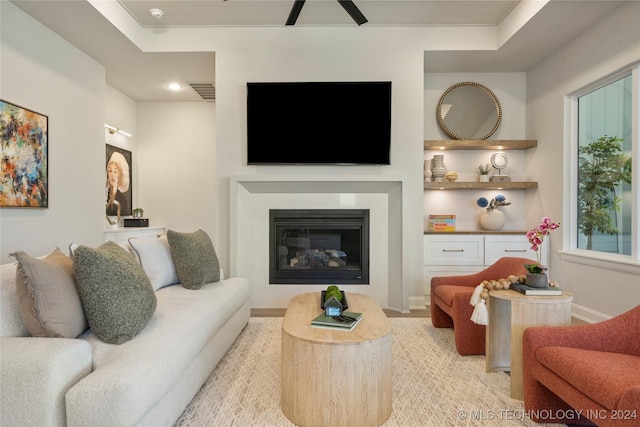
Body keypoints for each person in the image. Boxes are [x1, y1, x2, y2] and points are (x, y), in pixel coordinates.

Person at [105, 152, 130, 217]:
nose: (112, 175)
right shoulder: (104, 196)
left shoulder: (123, 199)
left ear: (119, 175)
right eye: (110, 171)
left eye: (115, 172)